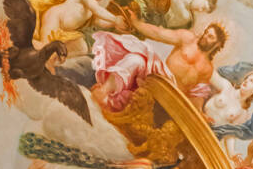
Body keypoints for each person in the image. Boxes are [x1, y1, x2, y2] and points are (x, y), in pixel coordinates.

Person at [93, 14, 228, 111]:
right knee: (136, 59)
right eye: (206, 32)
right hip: (159, 75)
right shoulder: (188, 38)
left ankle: (113, 100)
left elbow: (196, 95)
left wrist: (199, 113)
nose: (204, 36)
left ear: (217, 44)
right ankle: (104, 91)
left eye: (210, 37)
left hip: (172, 96)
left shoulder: (207, 69)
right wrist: (136, 23)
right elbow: (159, 33)